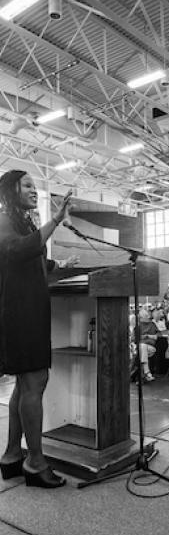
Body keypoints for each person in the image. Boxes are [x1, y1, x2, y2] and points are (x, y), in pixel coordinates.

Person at [0, 170, 77, 488]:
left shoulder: (22, 223)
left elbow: (29, 259)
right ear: (11, 190)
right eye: (28, 185)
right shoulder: (3, 219)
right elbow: (17, 251)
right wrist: (56, 220)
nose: (35, 190)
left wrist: (59, 267)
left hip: (29, 309)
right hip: (20, 312)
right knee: (35, 381)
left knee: (24, 383)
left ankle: (11, 456)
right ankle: (35, 462)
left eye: (35, 185)